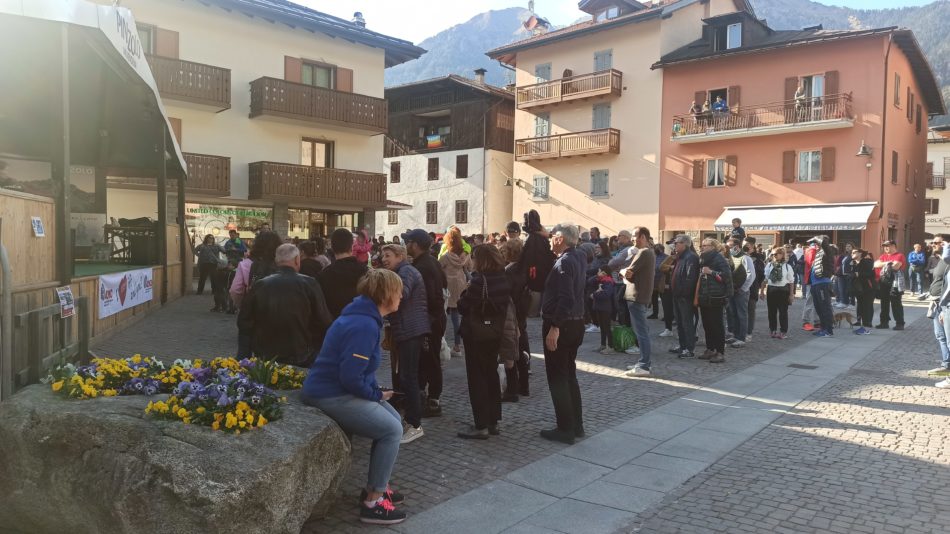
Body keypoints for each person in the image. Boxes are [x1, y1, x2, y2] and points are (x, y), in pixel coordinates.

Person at [302, 269, 408, 525]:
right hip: (331, 394)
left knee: (394, 419)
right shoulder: (364, 325)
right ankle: (373, 502)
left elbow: (358, 371)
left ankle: (376, 484)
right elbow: (350, 376)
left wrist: (377, 393)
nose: (402, 296)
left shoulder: (364, 317)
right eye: (399, 291)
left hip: (336, 389)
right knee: (392, 430)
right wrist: (375, 394)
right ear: (386, 295)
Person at [237, 244, 332, 366]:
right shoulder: (309, 284)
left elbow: (245, 322)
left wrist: (243, 358)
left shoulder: (260, 285)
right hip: (302, 353)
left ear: (277, 261)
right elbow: (324, 320)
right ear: (297, 260)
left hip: (266, 355)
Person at [456, 245, 515, 439]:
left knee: (477, 378)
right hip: (494, 332)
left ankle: (481, 424)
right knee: (491, 375)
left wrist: (465, 291)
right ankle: (493, 421)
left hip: (476, 334)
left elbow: (463, 306)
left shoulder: (478, 281)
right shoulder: (503, 278)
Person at [539, 223, 586, 444]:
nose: (550, 239)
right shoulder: (579, 256)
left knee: (558, 376)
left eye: (552, 236)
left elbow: (566, 297)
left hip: (563, 325)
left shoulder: (565, 262)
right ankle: (576, 425)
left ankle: (565, 428)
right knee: (569, 375)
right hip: (575, 323)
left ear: (560, 239)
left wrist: (555, 327)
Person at [381, 244, 429, 444]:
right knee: (407, 376)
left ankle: (414, 424)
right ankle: (411, 420)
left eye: (388, 255)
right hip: (408, 329)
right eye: (383, 255)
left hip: (411, 330)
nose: (384, 259)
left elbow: (401, 295)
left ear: (400, 256)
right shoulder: (403, 271)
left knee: (409, 377)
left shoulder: (406, 272)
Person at [402, 229, 447, 419]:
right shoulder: (430, 262)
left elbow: (430, 296)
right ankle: (427, 397)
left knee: (430, 360)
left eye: (408, 242)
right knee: (428, 360)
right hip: (433, 318)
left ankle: (433, 400)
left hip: (430, 320)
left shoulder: (423, 267)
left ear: (415, 245)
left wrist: (427, 319)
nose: (406, 245)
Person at [623, 227, 656, 375]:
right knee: (642, 331)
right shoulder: (648, 252)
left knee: (641, 332)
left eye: (634, 236)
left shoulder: (643, 252)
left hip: (637, 296)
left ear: (642, 237)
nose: (632, 239)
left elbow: (628, 272)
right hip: (640, 296)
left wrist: (623, 272)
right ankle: (643, 362)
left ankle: (644, 365)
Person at [317, 228, 369, 320]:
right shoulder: (365, 271)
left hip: (334, 323)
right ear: (352, 247)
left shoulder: (323, 275)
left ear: (332, 247)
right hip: (361, 322)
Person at [502, 238, 531, 401]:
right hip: (522, 313)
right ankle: (524, 385)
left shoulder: (509, 271)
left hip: (513, 314)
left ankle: (512, 389)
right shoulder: (524, 269)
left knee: (511, 352)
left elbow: (508, 295)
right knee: (521, 349)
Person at [695, 238, 733, 363]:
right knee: (707, 325)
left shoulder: (719, 258)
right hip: (704, 296)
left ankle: (720, 352)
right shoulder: (702, 258)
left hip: (716, 297)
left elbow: (726, 276)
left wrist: (711, 272)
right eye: (702, 245)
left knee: (717, 325)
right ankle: (710, 349)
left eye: (705, 245)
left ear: (712, 247)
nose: (702, 247)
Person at [439, 227, 472, 356]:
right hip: (461, 284)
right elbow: (470, 267)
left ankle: (443, 344)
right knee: (457, 315)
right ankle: (458, 346)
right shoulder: (466, 255)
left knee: (444, 314)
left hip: (448, 286)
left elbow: (438, 266)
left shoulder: (446, 256)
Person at [670, 235, 700, 358]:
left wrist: (684, 293)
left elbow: (690, 278)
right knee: (680, 323)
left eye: (677, 243)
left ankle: (689, 348)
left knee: (687, 323)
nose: (675, 245)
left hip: (685, 297)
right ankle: (682, 346)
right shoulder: (680, 256)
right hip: (677, 295)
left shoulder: (691, 257)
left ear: (685, 244)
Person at [724, 237, 754, 347]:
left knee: (742, 314)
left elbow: (751, 275)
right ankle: (736, 335)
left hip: (741, 291)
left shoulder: (746, 258)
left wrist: (743, 289)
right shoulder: (731, 257)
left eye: (730, 247)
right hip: (733, 290)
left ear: (737, 246)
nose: (728, 249)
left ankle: (741, 338)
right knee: (733, 313)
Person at [761, 245, 795, 339]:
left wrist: (791, 295)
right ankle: (773, 330)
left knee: (783, 312)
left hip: (783, 290)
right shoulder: (769, 265)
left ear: (782, 255)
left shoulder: (787, 266)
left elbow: (791, 281)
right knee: (771, 312)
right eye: (773, 254)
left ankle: (783, 331)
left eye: (776, 254)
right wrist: (762, 291)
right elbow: (765, 279)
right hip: (771, 290)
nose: (774, 256)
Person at [928, 239, 950, 384]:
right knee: (941, 336)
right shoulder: (940, 261)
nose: (934, 244)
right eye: (933, 243)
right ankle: (946, 365)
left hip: (945, 304)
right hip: (939, 303)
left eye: (938, 242)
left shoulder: (947, 261)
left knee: (948, 339)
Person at [875, 240, 907, 330]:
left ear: (894, 246)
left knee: (896, 303)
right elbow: (875, 264)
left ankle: (900, 323)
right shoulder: (883, 256)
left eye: (888, 246)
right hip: (884, 281)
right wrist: (888, 263)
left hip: (895, 281)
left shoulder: (899, 255)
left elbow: (896, 266)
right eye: (884, 246)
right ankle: (884, 322)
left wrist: (883, 264)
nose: (885, 248)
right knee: (884, 303)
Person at [808, 236, 836, 337]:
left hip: (822, 284)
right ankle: (823, 328)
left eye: (817, 243)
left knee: (825, 307)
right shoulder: (819, 253)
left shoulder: (828, 251)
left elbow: (825, 244)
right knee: (819, 308)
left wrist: (817, 238)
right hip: (815, 285)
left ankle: (828, 330)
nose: (815, 245)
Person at [588, 266, 616, 354]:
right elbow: (589, 281)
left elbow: (606, 295)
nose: (597, 273)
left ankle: (611, 347)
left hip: (605, 308)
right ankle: (603, 345)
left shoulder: (608, 282)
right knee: (602, 327)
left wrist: (594, 295)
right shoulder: (601, 280)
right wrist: (597, 276)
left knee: (607, 327)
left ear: (604, 273)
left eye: (599, 271)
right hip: (599, 307)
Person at [850, 248, 876, 335]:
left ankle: (866, 327)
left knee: (867, 307)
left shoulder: (867, 262)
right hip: (859, 289)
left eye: (854, 252)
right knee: (860, 306)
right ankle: (860, 324)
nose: (852, 253)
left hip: (868, 288)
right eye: (851, 252)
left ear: (860, 253)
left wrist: (858, 274)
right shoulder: (853, 263)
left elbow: (871, 274)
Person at [835, 242, 855, 308]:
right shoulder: (846, 255)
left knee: (850, 289)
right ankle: (844, 302)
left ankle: (852, 304)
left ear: (852, 247)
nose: (847, 247)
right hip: (842, 274)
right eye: (846, 246)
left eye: (849, 246)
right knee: (843, 289)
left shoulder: (853, 255)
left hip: (849, 274)